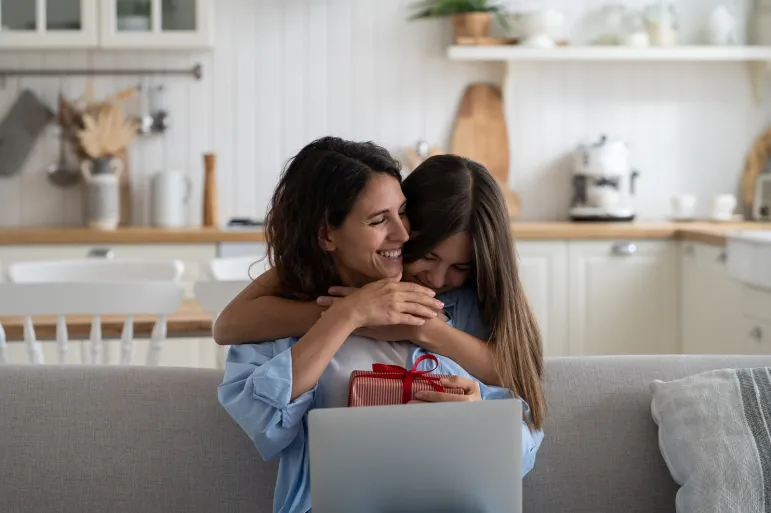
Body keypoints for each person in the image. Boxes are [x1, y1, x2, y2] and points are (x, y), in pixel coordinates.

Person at [217, 137, 544, 513]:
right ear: (326, 234)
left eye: (402, 213)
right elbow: (261, 418)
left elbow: (523, 415)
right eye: (378, 220)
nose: (403, 236)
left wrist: (478, 420)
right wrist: (348, 314)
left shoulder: (463, 306)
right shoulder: (280, 314)